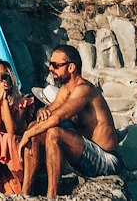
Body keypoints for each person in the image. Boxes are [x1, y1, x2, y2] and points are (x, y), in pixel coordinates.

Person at [18, 45, 121, 198]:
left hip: (105, 159)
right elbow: (50, 112)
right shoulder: (65, 90)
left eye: (56, 65)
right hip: (84, 150)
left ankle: (51, 196)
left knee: (54, 133)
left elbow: (57, 118)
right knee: (35, 128)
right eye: (50, 64)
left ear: (71, 67)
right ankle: (25, 193)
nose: (51, 69)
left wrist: (26, 134)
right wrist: (41, 112)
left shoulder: (84, 89)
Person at [0, 59, 33, 194]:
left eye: (4, 76)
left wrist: (4, 100)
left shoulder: (22, 102)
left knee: (8, 137)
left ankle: (21, 188)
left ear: (10, 79)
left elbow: (11, 129)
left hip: (15, 143)